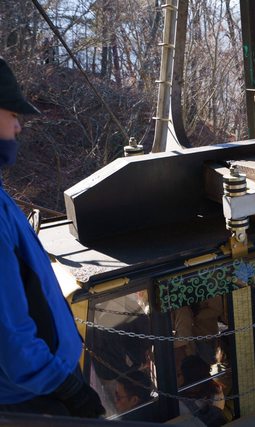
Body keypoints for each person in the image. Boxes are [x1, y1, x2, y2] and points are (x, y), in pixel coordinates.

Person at [0, 57, 105, 418]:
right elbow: (8, 330)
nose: (18, 126)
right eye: (12, 113)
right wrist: (68, 389)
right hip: (34, 396)